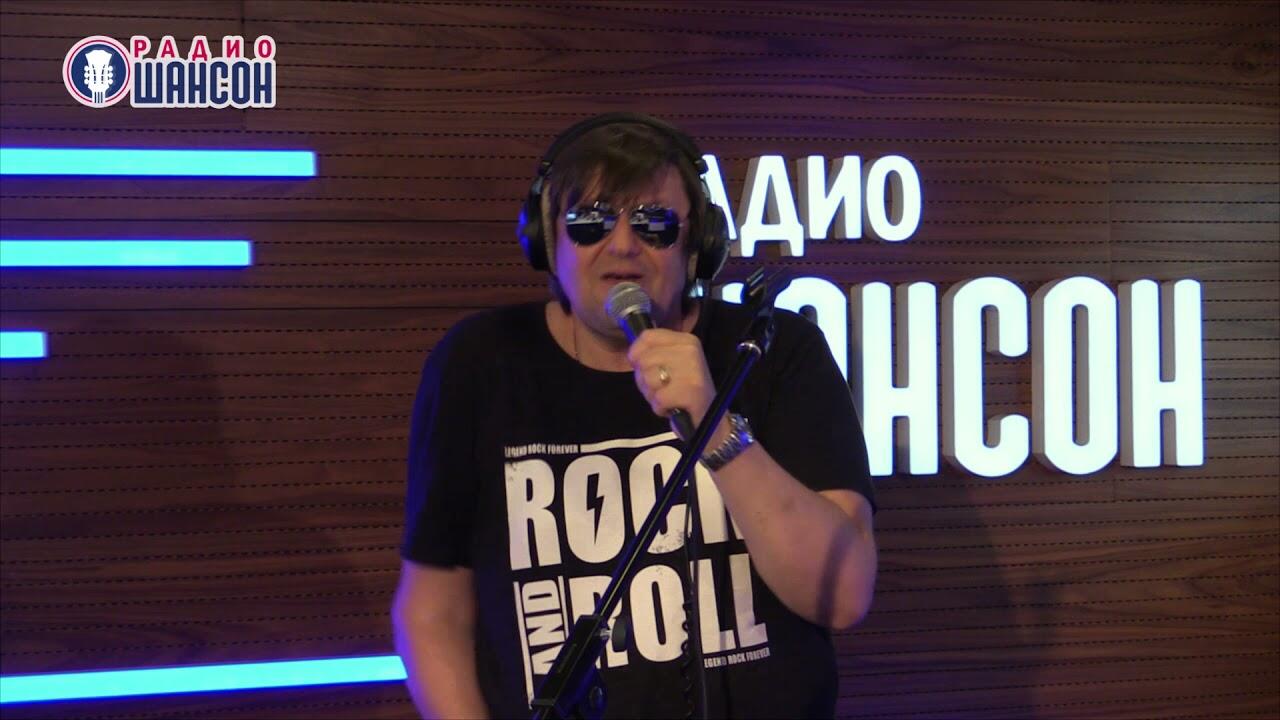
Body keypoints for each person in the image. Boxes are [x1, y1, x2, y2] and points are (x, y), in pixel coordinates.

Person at [392, 113, 877, 720]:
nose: (622, 245)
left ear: (698, 244)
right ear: (546, 239)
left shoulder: (769, 351)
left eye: (654, 222)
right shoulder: (479, 363)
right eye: (589, 221)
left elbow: (841, 595)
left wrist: (714, 426)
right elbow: (432, 611)